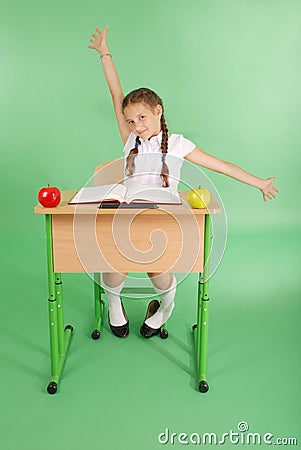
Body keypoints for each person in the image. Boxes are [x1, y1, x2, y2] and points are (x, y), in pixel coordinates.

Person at [88, 25, 278, 339]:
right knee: (115, 263)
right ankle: (113, 304)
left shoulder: (177, 143)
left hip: (162, 219)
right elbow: (116, 93)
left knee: (160, 275)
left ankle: (164, 308)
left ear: (157, 111)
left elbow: (221, 165)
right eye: (131, 120)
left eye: (143, 118)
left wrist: (258, 182)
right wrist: (105, 53)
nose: (137, 125)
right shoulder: (130, 140)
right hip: (127, 215)